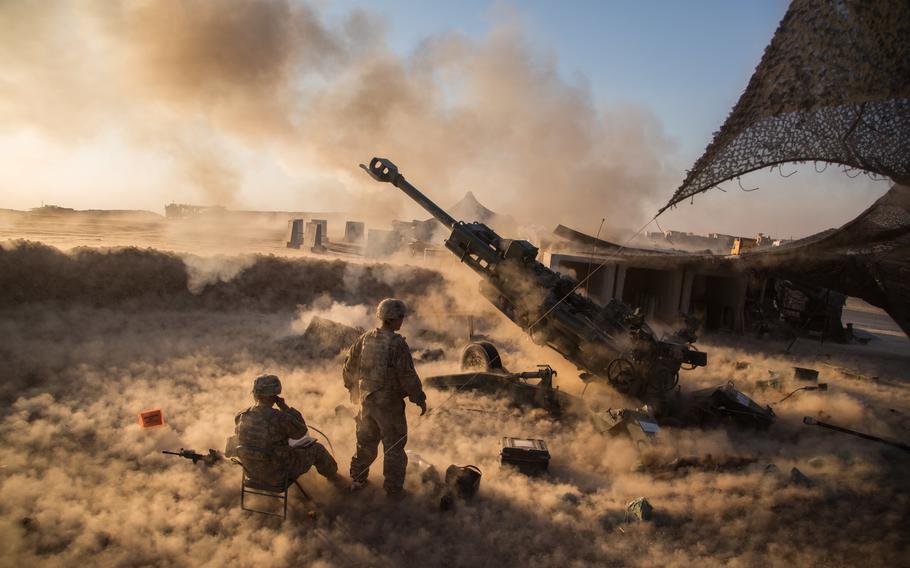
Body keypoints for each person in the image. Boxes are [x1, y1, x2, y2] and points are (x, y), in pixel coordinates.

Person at [343, 298, 427, 497]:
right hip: (388, 405)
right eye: (401, 317)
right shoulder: (397, 344)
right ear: (392, 319)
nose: (402, 321)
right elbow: (407, 375)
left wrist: (352, 390)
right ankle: (393, 489)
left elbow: (348, 367)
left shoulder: (365, 338)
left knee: (365, 442)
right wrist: (419, 398)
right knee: (394, 448)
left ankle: (357, 479)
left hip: (366, 401)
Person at [232, 374, 345, 490]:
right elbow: (302, 431)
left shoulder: (241, 415)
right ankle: (337, 482)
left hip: (251, 474)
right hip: (277, 475)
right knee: (317, 449)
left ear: (255, 394)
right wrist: (285, 407)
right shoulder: (280, 417)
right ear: (274, 397)